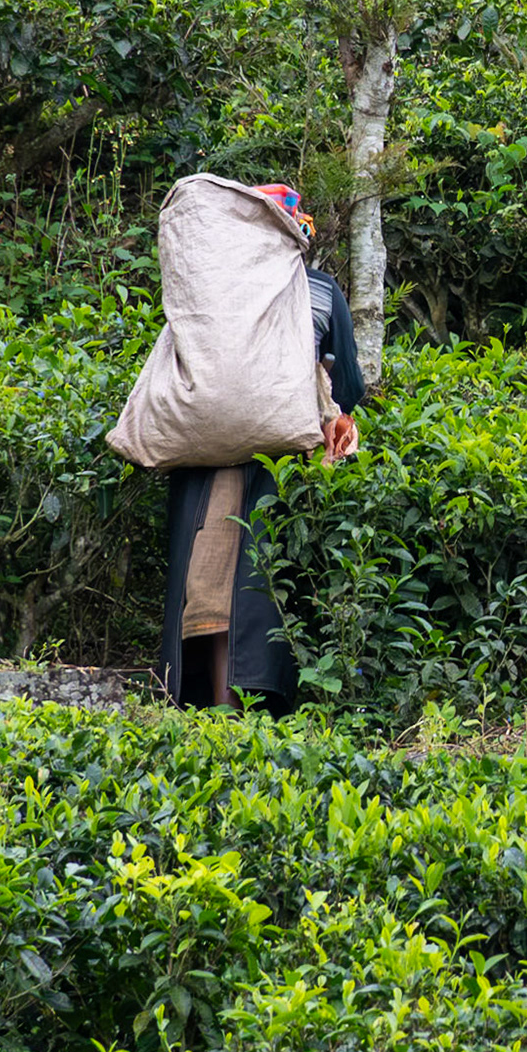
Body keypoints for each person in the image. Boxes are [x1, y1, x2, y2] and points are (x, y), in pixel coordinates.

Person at [160, 185, 363, 712]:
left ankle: (210, 704)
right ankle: (242, 709)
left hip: (204, 460)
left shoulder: (208, 296)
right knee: (255, 586)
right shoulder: (319, 292)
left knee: (206, 582)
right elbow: (351, 385)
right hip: (281, 462)